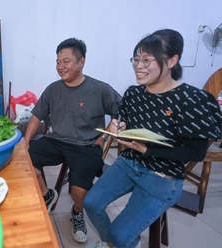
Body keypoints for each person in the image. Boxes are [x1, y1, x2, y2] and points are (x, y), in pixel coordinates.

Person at [84, 29, 222, 248]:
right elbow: (123, 120)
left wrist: (148, 150)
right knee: (90, 203)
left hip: (161, 176)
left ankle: (121, 242)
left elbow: (195, 153)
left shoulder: (193, 100)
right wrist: (118, 126)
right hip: (128, 163)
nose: (139, 66)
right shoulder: (133, 93)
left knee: (121, 235)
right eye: (136, 60)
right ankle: (111, 242)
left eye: (147, 60)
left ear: (172, 60)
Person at [24, 38, 121, 243]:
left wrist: (105, 135)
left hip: (86, 145)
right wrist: (25, 141)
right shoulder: (53, 89)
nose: (60, 67)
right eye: (58, 62)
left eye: (66, 61)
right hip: (56, 140)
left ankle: (77, 213)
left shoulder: (100, 89)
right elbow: (37, 115)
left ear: (81, 61)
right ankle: (47, 193)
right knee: (24, 159)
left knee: (80, 194)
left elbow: (121, 112)